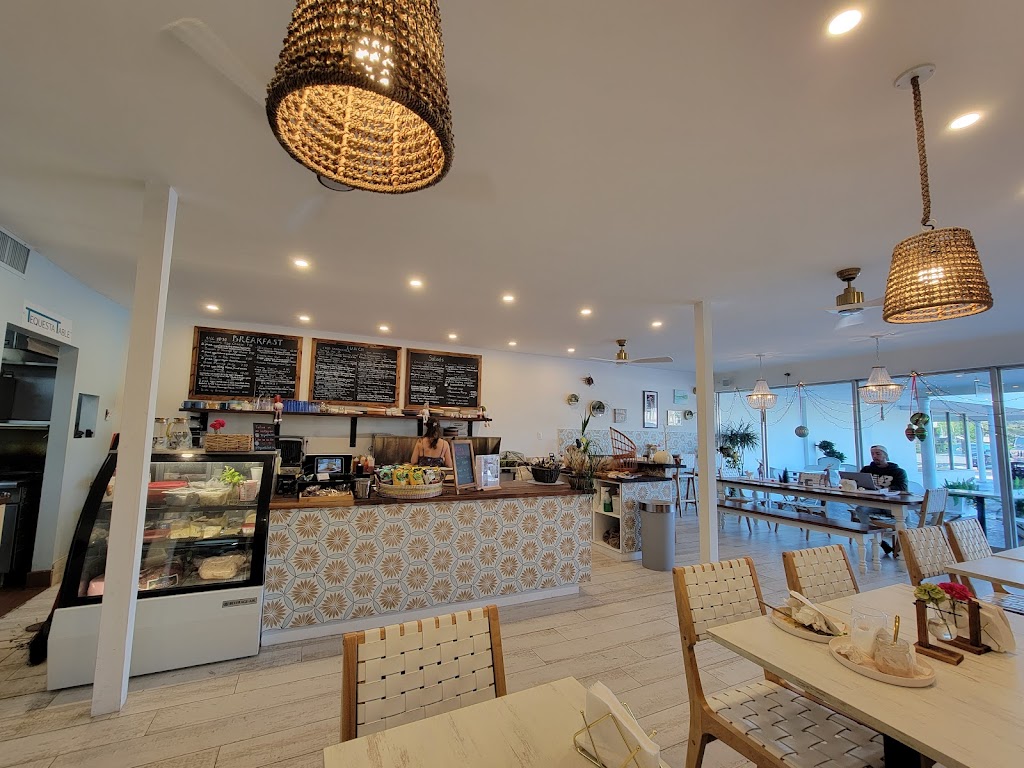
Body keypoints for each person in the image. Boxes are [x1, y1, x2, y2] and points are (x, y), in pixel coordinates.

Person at [852, 444, 909, 554]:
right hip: (874, 504)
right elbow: (858, 483)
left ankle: (904, 547)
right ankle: (879, 540)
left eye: (878, 454)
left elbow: (903, 488)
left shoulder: (898, 472)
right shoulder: (867, 470)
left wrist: (885, 489)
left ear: (885, 455)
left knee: (904, 515)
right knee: (860, 510)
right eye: (872, 454)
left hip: (892, 505)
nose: (874, 456)